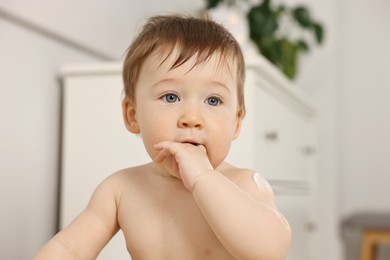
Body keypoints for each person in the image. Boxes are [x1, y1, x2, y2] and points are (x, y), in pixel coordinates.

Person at [34, 13, 291, 260]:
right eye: (171, 97)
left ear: (236, 122)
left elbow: (271, 250)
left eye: (213, 100)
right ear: (132, 115)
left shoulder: (244, 184)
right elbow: (69, 250)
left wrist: (204, 178)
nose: (192, 117)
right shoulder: (121, 189)